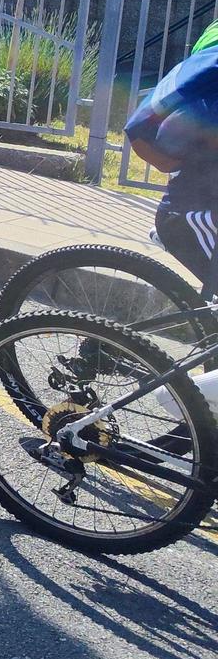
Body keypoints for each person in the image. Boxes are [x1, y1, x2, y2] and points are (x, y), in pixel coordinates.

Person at [122, 53, 218, 446]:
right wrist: (179, 163)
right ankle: (182, 407)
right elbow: (138, 128)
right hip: (196, 214)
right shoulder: (211, 65)